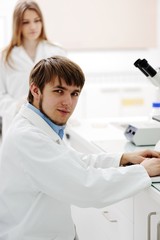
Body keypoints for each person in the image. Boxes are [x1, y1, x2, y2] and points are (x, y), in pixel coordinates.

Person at [1, 56, 160, 240]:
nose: (68, 102)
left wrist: (122, 158)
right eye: (59, 91)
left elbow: (73, 161)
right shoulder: (29, 138)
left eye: (74, 93)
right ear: (35, 90)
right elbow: (86, 187)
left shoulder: (40, 127)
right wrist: (141, 171)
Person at [0, 0, 66, 136]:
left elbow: (65, 90)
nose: (33, 27)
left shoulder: (57, 52)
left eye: (37, 20)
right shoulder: (5, 57)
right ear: (17, 25)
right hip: (16, 121)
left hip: (49, 122)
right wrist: (19, 104)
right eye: (26, 22)